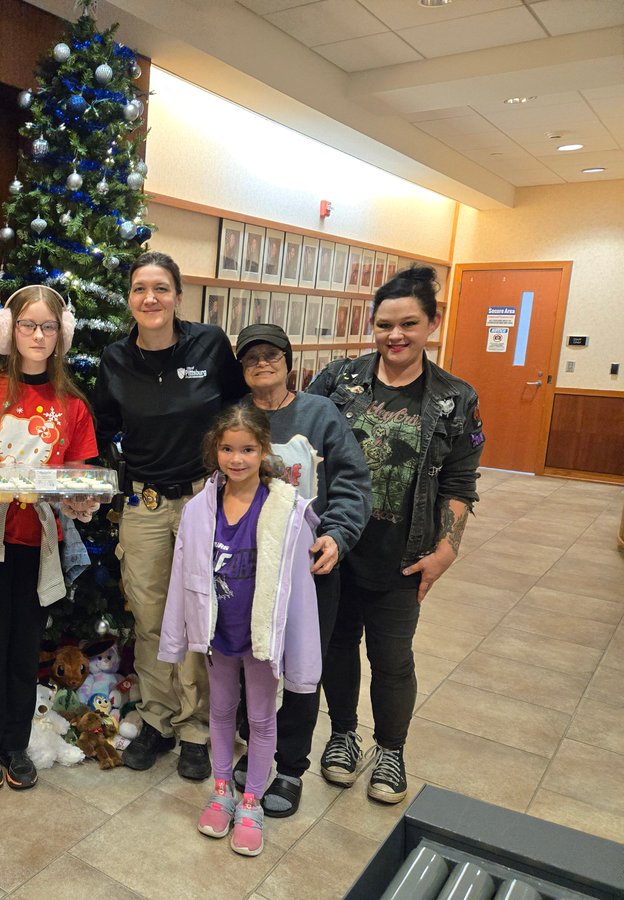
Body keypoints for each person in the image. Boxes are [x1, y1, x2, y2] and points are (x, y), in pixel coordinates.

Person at [308, 266, 484, 803]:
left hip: (403, 555)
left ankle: (391, 749)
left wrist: (446, 550)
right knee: (336, 647)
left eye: (409, 323)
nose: (395, 336)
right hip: (334, 547)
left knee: (391, 657)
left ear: (432, 323)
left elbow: (460, 481)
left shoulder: (455, 397)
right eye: (384, 324)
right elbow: (295, 440)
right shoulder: (338, 380)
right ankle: (342, 735)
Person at [93, 250, 247, 780]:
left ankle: (198, 728)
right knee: (152, 616)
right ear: (129, 299)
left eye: (161, 288)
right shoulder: (115, 359)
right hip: (144, 507)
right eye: (140, 289)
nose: (150, 298)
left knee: (200, 615)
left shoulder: (209, 345)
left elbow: (237, 411)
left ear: (178, 296)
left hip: (205, 500)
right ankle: (158, 721)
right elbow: (100, 429)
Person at [0, 284, 98, 791]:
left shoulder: (72, 404)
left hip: (41, 547)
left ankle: (15, 743)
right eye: (28, 325)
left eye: (49, 326)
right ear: (9, 332)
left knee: (24, 647)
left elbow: (79, 475)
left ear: (62, 335)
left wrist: (83, 501)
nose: (38, 334)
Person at [159, 404, 320, 857]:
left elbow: (300, 590)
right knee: (222, 713)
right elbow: (183, 576)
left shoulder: (286, 511)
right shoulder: (198, 509)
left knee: (262, 718)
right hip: (220, 635)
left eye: (247, 449)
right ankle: (222, 789)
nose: (237, 458)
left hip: (260, 638)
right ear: (215, 451)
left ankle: (252, 801)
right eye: (228, 448)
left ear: (263, 450)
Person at [230, 324, 371, 818]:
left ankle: (290, 767)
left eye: (272, 355)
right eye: (251, 358)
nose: (262, 364)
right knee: (251, 663)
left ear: (289, 362)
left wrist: (337, 534)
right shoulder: (237, 417)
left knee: (300, 669)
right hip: (248, 570)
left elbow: (353, 483)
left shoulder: (320, 414)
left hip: (310, 570)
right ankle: (257, 750)